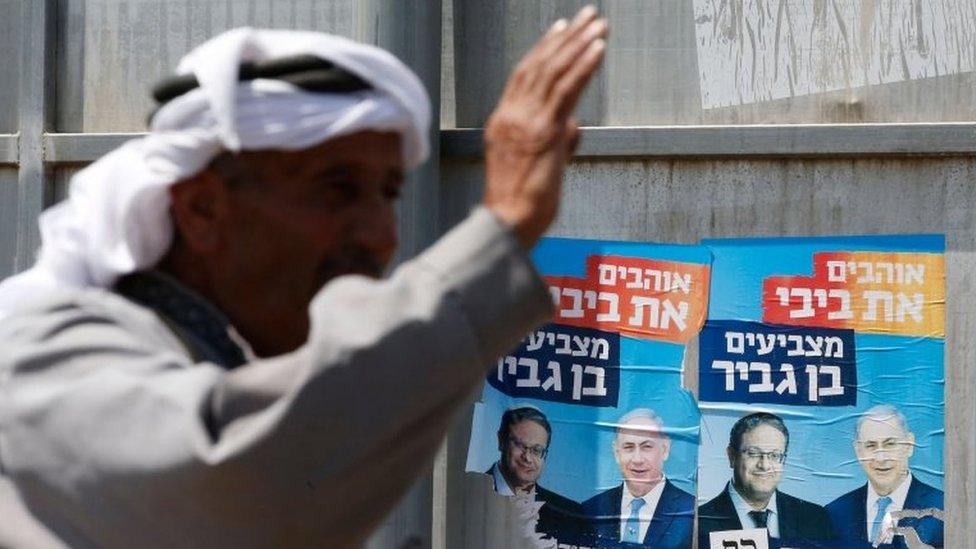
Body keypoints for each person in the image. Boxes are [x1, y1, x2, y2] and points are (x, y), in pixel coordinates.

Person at [0, 7, 609, 548]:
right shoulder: (42, 351)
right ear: (203, 209)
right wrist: (501, 229)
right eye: (336, 189)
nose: (381, 235)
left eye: (388, 193)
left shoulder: (215, 357)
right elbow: (237, 485)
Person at [697, 412, 834, 548]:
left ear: (784, 460)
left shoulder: (815, 519)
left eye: (774, 455)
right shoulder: (699, 522)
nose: (765, 465)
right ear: (732, 456)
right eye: (753, 453)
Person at [826, 405, 944, 548]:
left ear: (909, 445)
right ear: (858, 451)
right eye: (871, 446)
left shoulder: (943, 507)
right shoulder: (835, 513)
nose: (881, 457)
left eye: (890, 444)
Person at [582, 408, 694, 548]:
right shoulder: (591, 509)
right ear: (617, 452)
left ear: (665, 449)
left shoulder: (692, 511)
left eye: (646, 447)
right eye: (628, 447)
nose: (637, 459)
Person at [488, 406, 590, 544]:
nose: (527, 458)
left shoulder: (572, 516)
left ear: (545, 456)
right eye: (519, 445)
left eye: (537, 450)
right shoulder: (459, 495)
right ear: (501, 441)